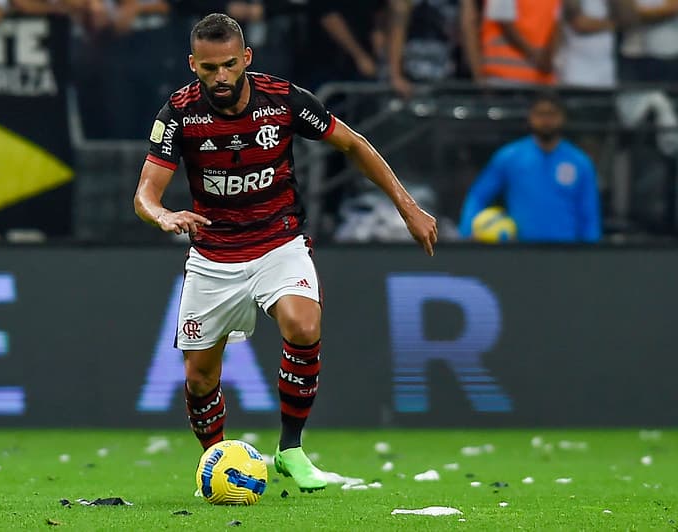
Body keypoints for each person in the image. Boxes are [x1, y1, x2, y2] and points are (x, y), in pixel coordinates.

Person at [133, 13, 437, 492]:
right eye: (209, 68)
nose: (221, 77)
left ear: (246, 58)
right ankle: (215, 462)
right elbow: (145, 192)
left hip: (279, 242)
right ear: (194, 65)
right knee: (198, 377)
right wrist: (162, 215)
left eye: (230, 65)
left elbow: (353, 144)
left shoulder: (283, 99)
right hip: (214, 256)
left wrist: (407, 206)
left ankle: (291, 450)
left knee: (303, 324)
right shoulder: (178, 114)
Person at [459, 91, 602, 242]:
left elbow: (589, 214)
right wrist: (467, 230)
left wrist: (590, 253)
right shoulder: (510, 156)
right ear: (530, 117)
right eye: (540, 114)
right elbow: (478, 195)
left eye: (552, 114)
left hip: (565, 251)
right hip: (520, 253)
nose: (546, 120)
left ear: (562, 118)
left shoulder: (579, 162)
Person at [480, 0, 561, 86]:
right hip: (505, 78)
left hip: (538, 78)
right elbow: (504, 23)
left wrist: (542, 60)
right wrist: (541, 60)